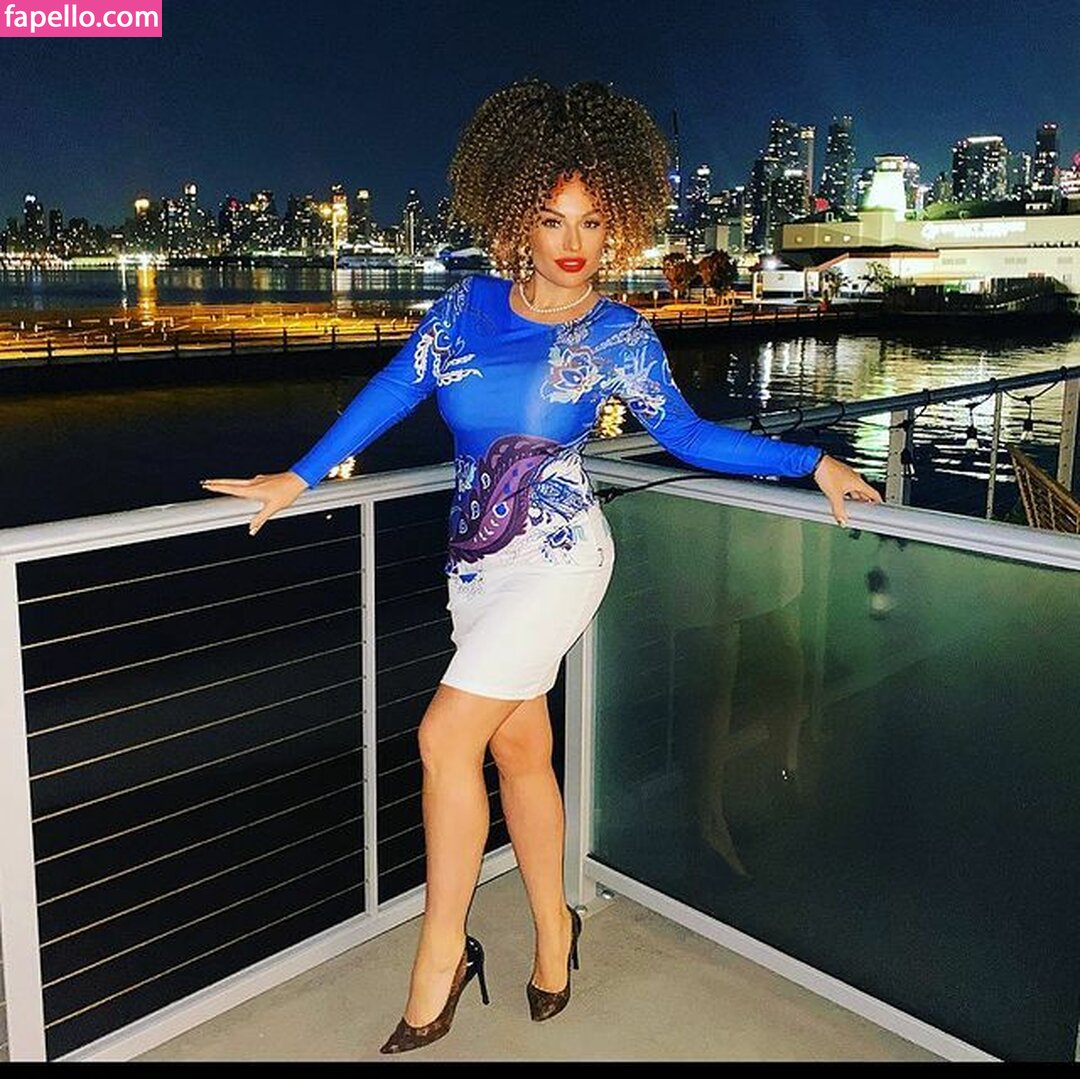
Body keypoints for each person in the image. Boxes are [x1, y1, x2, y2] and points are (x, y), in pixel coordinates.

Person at [200, 78, 882, 1054]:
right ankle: (555, 930)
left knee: (445, 739)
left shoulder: (617, 334)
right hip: (471, 564)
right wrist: (300, 475)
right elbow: (392, 389)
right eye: (555, 218)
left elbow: (688, 435)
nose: (574, 241)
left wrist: (809, 460)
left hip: (560, 559)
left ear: (617, 227)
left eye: (593, 221)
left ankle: (442, 953)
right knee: (519, 751)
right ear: (519, 216)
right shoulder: (465, 308)